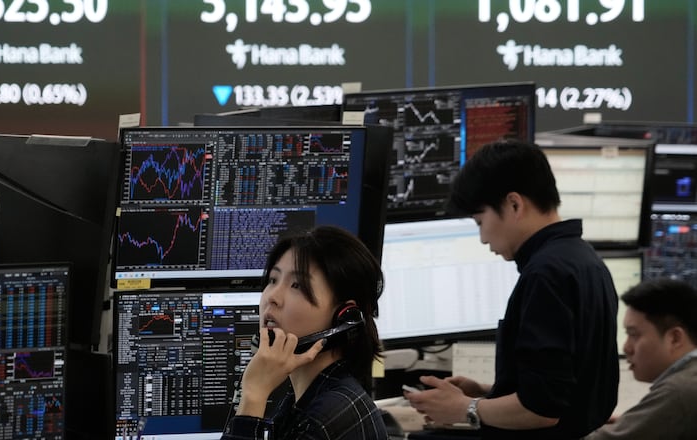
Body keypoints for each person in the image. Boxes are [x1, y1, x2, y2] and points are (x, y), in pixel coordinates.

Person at [404, 140, 619, 439]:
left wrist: (467, 408)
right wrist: (484, 392)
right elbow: (562, 390)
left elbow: (542, 410)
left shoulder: (546, 275)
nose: (482, 238)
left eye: (480, 221)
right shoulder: (585, 261)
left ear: (514, 204)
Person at [221, 225, 389, 439]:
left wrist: (254, 394)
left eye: (297, 285)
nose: (272, 297)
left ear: (344, 316)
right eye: (273, 280)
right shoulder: (310, 398)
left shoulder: (322, 420)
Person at [584, 278, 697, 439]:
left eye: (634, 335)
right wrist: (636, 421)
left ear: (675, 338)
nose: (626, 348)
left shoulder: (679, 392)